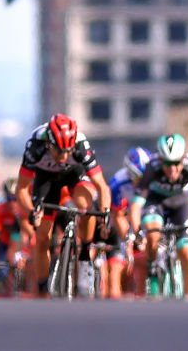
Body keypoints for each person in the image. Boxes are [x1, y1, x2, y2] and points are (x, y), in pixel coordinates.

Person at [15, 113, 112, 298]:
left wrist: (105, 213)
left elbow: (102, 186)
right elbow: (21, 189)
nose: (64, 156)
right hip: (46, 179)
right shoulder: (35, 146)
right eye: (59, 151)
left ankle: (84, 256)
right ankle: (43, 288)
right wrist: (30, 212)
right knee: (42, 237)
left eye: (68, 151)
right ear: (48, 143)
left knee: (85, 205)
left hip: (74, 174)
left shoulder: (81, 146)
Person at [129, 134, 188, 300]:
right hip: (156, 202)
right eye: (167, 164)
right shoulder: (152, 168)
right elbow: (136, 205)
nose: (172, 170)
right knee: (153, 236)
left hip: (182, 204)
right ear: (160, 160)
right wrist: (138, 231)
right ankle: (153, 266)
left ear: (183, 159)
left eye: (176, 163)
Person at [108, 146, 151, 297]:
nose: (140, 184)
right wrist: (128, 239)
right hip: (125, 216)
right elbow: (118, 215)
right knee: (126, 258)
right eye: (137, 179)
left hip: (149, 215)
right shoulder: (118, 182)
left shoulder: (156, 176)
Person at [0, 178, 28, 297]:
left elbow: (29, 235)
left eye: (15, 199)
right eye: (9, 199)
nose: (12, 203)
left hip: (23, 244)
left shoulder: (26, 209)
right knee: (2, 270)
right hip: (4, 244)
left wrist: (24, 254)